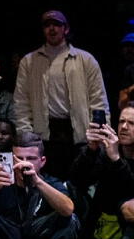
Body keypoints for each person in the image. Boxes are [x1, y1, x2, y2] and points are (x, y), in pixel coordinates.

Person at [13, 10, 108, 178]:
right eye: (47, 25)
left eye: (57, 25)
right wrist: (26, 135)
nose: (52, 29)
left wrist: (99, 137)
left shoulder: (85, 60)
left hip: (79, 133)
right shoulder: (29, 61)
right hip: (45, 134)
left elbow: (98, 101)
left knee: (80, 183)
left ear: (66, 29)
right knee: (48, 185)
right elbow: (21, 102)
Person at [70, 103, 134, 239]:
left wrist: (116, 159)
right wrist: (91, 149)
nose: (124, 127)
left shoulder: (113, 155)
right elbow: (77, 180)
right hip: (107, 236)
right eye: (121, 121)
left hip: (131, 233)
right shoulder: (105, 153)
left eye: (131, 123)